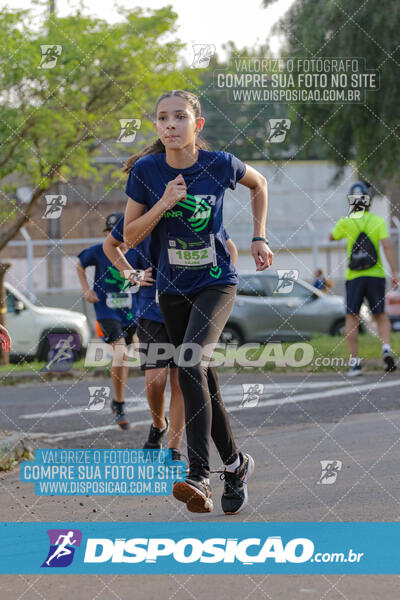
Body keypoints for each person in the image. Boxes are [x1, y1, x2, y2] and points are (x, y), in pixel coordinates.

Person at [122, 89, 273, 515]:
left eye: (179, 117)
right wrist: (164, 204)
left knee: (189, 363)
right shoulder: (146, 172)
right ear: (156, 126)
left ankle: (199, 476)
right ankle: (237, 464)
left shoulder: (219, 164)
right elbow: (130, 236)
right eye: (162, 118)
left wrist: (258, 236)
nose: (170, 125)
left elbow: (259, 183)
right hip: (171, 288)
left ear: (197, 125)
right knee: (201, 378)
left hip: (216, 281)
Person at [104, 215, 238, 459]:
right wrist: (132, 275)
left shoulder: (196, 208)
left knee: (181, 379)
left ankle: (174, 448)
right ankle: (159, 425)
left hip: (188, 309)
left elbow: (229, 249)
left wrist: (214, 289)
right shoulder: (142, 211)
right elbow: (110, 246)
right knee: (155, 381)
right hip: (153, 310)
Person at [76, 213, 152, 429]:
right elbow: (79, 264)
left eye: (116, 233)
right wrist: (86, 290)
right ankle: (119, 403)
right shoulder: (100, 251)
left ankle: (156, 408)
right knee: (120, 352)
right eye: (109, 234)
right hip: (106, 311)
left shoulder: (138, 253)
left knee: (146, 354)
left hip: (133, 311)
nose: (113, 238)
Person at [329, 181, 399, 376]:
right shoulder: (377, 221)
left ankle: (355, 363)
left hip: (354, 277)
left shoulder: (346, 221)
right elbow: (386, 246)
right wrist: (394, 272)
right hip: (375, 276)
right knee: (381, 315)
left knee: (352, 317)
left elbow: (331, 237)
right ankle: (386, 349)